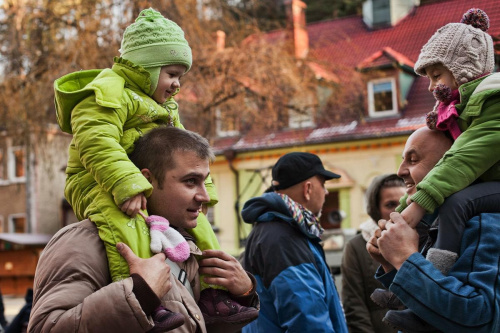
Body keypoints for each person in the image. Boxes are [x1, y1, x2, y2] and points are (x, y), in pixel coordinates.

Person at [53, 7, 250, 329]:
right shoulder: (106, 91)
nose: (176, 86)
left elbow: (187, 152)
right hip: (98, 181)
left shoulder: (164, 108)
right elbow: (96, 140)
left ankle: (216, 296)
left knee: (201, 228)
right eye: (171, 74)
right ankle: (147, 300)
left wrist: (205, 193)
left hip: (137, 181)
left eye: (180, 77)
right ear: (146, 67)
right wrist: (128, 184)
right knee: (125, 224)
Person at [28, 126, 260, 333]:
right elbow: (46, 327)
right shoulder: (83, 241)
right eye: (190, 181)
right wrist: (139, 293)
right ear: (146, 179)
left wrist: (242, 295)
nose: (204, 196)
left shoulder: (184, 246)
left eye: (205, 182)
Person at [380, 8, 500, 328]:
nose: (432, 86)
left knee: (457, 201)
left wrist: (407, 258)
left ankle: (432, 276)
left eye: (437, 75)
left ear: (462, 70)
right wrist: (398, 228)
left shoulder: (492, 103)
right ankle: (417, 304)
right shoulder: (460, 110)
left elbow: (460, 159)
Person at [367, 127, 500, 333]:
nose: (401, 171)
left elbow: (479, 317)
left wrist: (405, 259)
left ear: (451, 168)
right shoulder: (435, 223)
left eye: (413, 160)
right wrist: (392, 265)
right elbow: (427, 313)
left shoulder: (485, 223)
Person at [241, 152, 348, 333]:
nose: (326, 192)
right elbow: (307, 322)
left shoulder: (276, 229)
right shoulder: (284, 238)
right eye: (323, 184)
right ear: (308, 189)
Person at [341, 174, 404, 333]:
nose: (398, 210)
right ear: (375, 210)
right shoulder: (357, 247)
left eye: (404, 202)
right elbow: (355, 306)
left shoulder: (424, 238)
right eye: (390, 204)